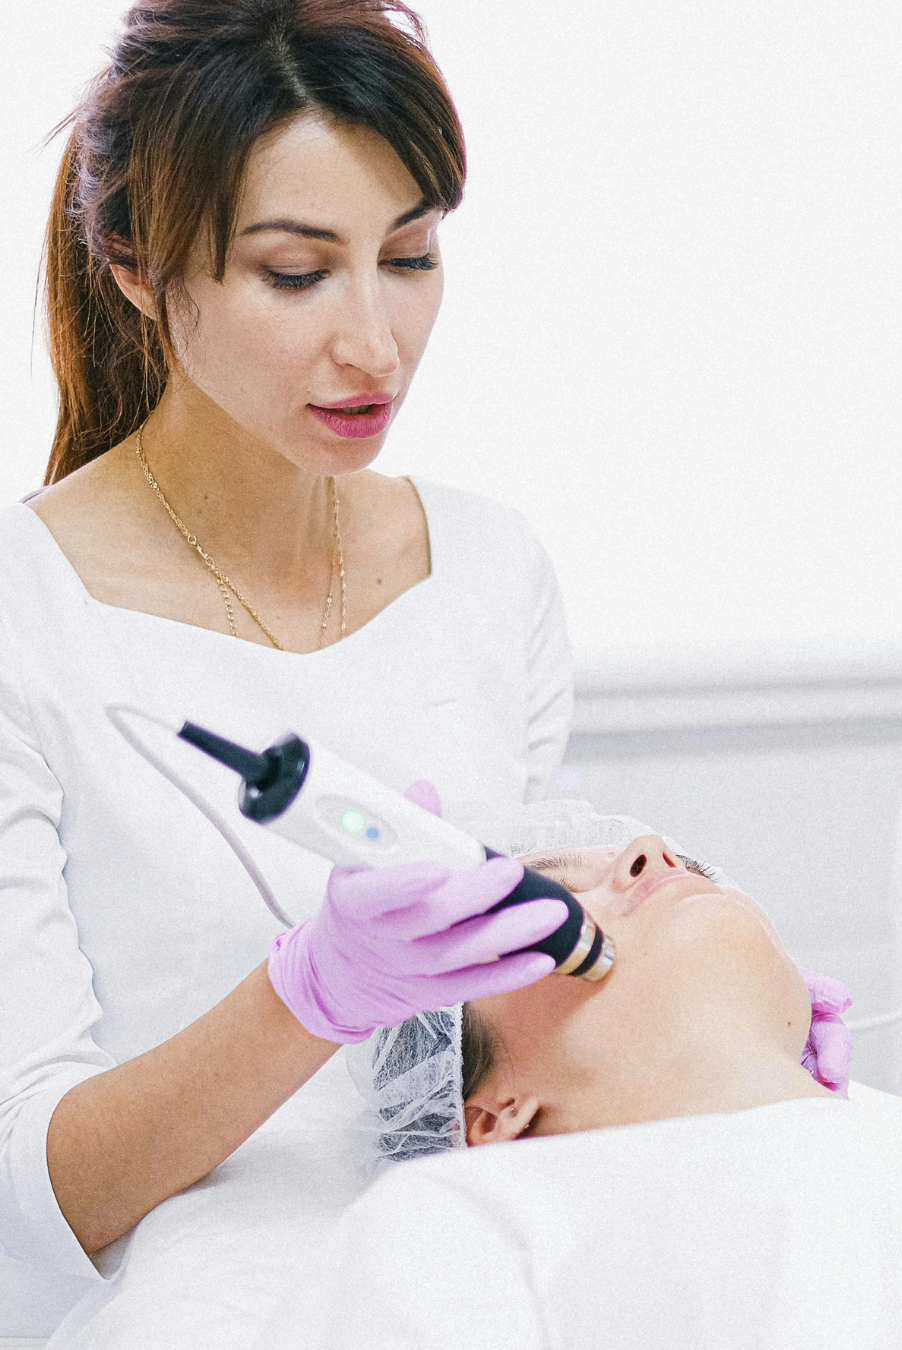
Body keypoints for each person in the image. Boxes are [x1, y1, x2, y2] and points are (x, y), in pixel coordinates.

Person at [0, 1, 577, 1338]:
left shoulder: (489, 570)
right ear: (134, 262)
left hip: (473, 1272)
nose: (377, 344)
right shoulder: (29, 617)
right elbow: (35, 1199)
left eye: (411, 255)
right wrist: (303, 998)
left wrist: (722, 1024)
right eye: (296, 273)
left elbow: (517, 1024)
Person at [252, 824, 902, 1350]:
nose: (652, 851)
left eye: (691, 863)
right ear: (494, 1112)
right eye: (548, 898)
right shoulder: (463, 1226)